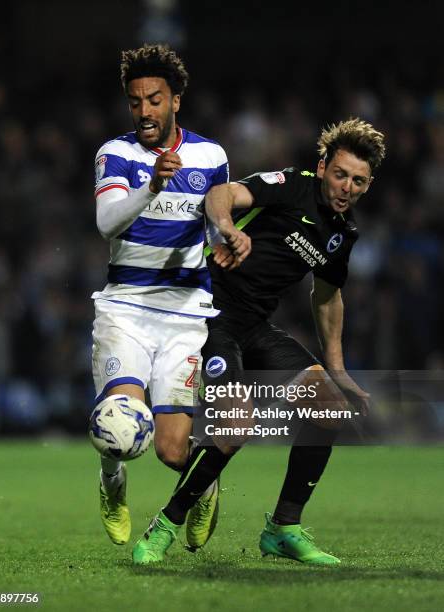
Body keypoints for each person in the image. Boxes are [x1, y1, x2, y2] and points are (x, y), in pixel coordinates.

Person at [132, 117, 386, 565]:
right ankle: (165, 525)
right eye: (341, 174)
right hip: (209, 313)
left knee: (327, 407)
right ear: (324, 166)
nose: (347, 187)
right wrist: (227, 228)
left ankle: (283, 528)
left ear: (368, 185)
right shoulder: (293, 184)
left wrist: (339, 371)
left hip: (254, 326)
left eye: (359, 181)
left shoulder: (343, 234)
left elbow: (327, 298)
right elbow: (220, 194)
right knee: (236, 424)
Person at [91, 44, 248, 548]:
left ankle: (203, 487)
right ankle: (111, 483)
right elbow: (105, 222)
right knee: (118, 427)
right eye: (135, 101)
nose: (144, 112)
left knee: (173, 451)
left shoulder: (211, 156)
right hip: (125, 311)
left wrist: (231, 236)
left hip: (185, 315)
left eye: (154, 100)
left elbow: (217, 220)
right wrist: (150, 189)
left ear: (176, 100)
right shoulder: (116, 154)